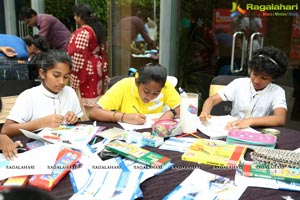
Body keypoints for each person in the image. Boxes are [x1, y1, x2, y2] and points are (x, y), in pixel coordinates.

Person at [200, 46, 288, 130]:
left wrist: (250, 121)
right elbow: (212, 100)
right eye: (255, 74)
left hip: (258, 132)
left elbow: (280, 119)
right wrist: (205, 112)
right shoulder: (239, 84)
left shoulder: (277, 92)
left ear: (273, 78)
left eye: (264, 78)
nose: (257, 81)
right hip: (232, 128)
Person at [1, 50, 83, 138]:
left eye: (66, 77)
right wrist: (41, 123)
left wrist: (73, 118)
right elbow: (6, 130)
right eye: (56, 75)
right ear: (42, 74)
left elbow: (78, 121)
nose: (62, 81)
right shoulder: (28, 97)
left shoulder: (70, 92)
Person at [89, 63, 180, 125]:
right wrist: (123, 117)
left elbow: (187, 109)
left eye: (156, 93)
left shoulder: (165, 86)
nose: (150, 97)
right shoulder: (124, 85)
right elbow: (94, 112)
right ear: (137, 83)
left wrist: (171, 113)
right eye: (146, 91)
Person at [67, 4, 109, 121]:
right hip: (97, 67)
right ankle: (96, 119)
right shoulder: (96, 29)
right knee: (95, 96)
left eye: (75, 16)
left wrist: (73, 72)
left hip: (86, 69)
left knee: (85, 99)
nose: (75, 18)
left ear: (79, 16)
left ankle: (87, 121)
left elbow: (76, 53)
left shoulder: (83, 32)